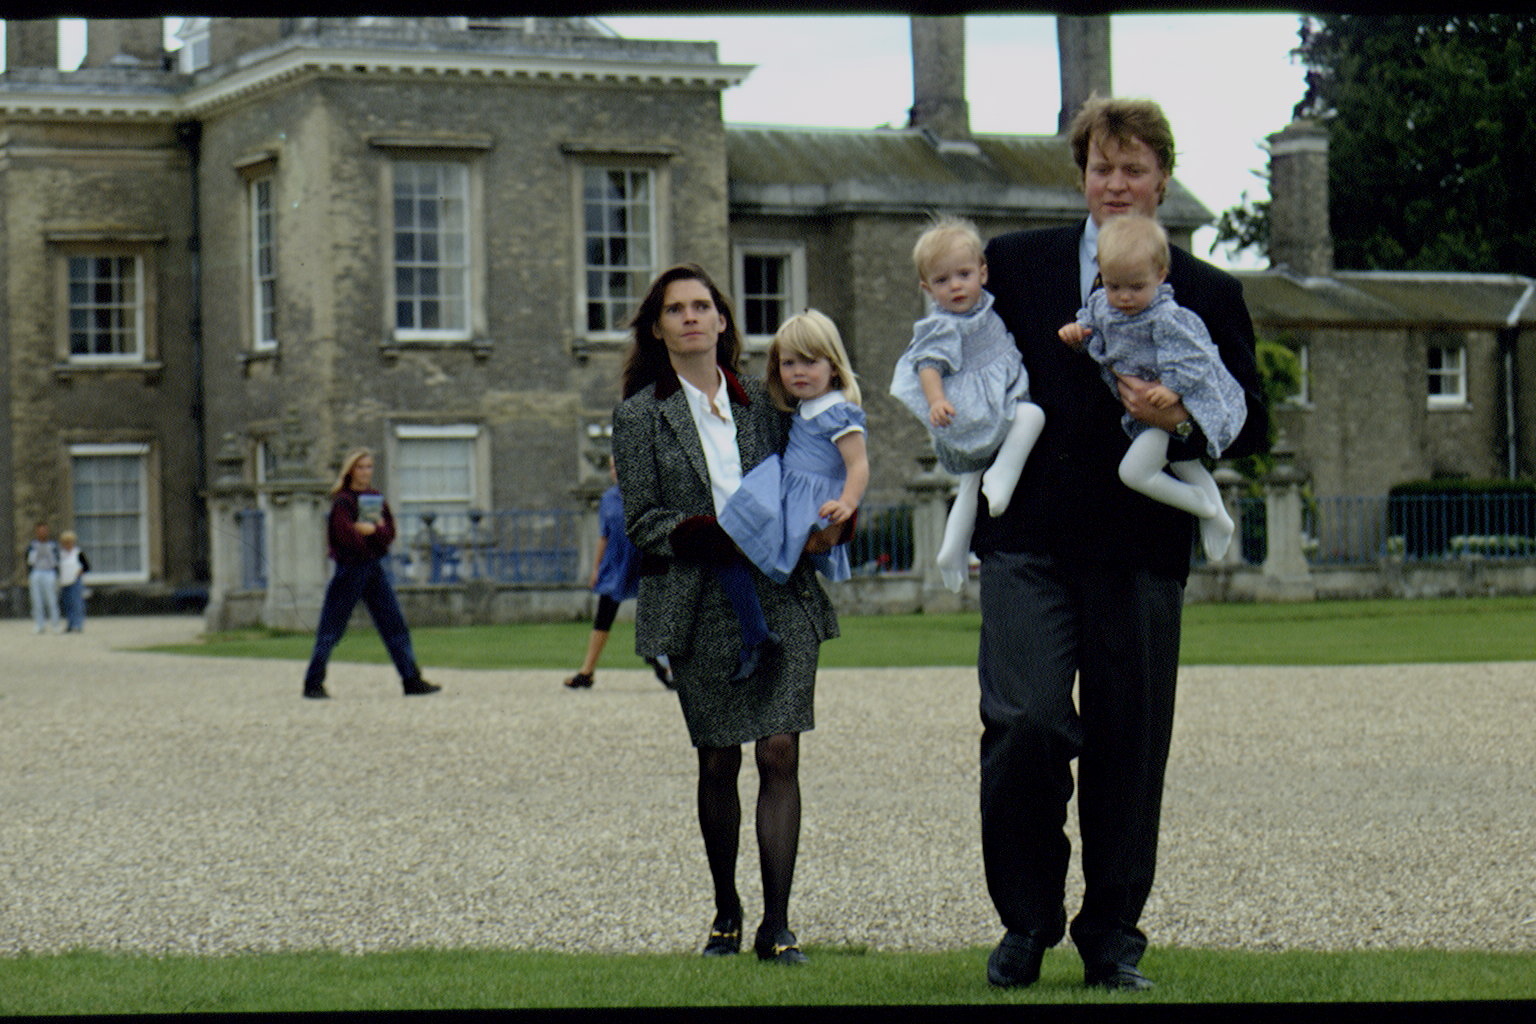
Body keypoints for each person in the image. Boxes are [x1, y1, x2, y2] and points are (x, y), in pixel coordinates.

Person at [972, 96, 1268, 992]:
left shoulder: (1212, 293)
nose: (1116, 183)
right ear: (1082, 176)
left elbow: (1254, 420)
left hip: (1140, 546)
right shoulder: (1014, 267)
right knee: (1023, 722)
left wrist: (1182, 416)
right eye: (1102, 168)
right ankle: (1026, 922)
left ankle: (1112, 939)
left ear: (1162, 182)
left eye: (1133, 169)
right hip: (1027, 537)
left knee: (1130, 744)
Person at [610, 263, 842, 966]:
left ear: (721, 321)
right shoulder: (638, 416)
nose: (690, 317)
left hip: (782, 590)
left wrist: (834, 519)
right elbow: (643, 521)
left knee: (779, 748)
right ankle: (726, 912)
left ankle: (778, 925)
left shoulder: (765, 407)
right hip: (698, 597)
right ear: (658, 327)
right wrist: (722, 532)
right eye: (675, 309)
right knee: (719, 758)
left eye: (702, 306)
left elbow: (814, 476)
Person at [1057, 213, 1246, 560]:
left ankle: (1201, 505)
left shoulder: (1167, 317)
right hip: (1147, 410)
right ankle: (1217, 516)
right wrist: (1077, 334)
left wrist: (1173, 389)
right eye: (1114, 286)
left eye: (1136, 287)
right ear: (1102, 276)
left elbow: (1198, 358)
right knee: (1185, 465)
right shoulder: (1103, 303)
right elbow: (1092, 323)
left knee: (1133, 472)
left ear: (1159, 276)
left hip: (1185, 403)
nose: (1124, 297)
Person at [890, 215, 1046, 592]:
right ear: (927, 288)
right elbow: (927, 365)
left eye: (963, 275)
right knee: (1031, 414)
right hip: (972, 409)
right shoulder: (942, 324)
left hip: (989, 400)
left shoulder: (984, 311)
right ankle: (1003, 476)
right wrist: (937, 400)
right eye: (943, 281)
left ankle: (952, 547)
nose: (956, 286)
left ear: (982, 273)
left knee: (968, 481)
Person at [718, 308, 868, 607]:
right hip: (791, 487)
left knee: (750, 541)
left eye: (810, 362)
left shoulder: (837, 411)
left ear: (834, 367)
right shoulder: (804, 406)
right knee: (739, 536)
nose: (798, 371)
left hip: (813, 497)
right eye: (789, 363)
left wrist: (848, 503)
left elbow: (858, 463)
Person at [301, 448, 441, 700]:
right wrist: (368, 535)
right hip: (350, 569)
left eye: (369, 467)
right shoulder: (343, 502)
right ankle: (313, 682)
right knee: (332, 628)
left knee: (394, 624)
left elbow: (388, 533)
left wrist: (370, 533)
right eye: (361, 467)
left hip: (372, 567)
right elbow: (346, 538)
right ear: (351, 470)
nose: (366, 472)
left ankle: (410, 678)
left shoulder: (374, 498)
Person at [564, 461, 674, 690]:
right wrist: (596, 568)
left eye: (619, 466)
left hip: (644, 560)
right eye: (612, 468)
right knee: (603, 616)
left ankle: (663, 665)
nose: (615, 471)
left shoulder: (646, 493)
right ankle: (587, 671)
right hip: (616, 564)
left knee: (652, 615)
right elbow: (603, 535)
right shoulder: (608, 498)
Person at [25, 521, 62, 634]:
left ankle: (55, 624)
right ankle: (39, 624)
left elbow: (57, 560)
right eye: (40, 531)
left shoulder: (53, 545)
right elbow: (28, 561)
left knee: (51, 599)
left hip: (49, 572)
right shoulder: (32, 545)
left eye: (44, 530)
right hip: (36, 572)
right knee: (36, 600)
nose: (42, 533)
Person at [57, 530, 90, 633]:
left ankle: (78, 624)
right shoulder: (60, 554)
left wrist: (79, 572)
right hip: (64, 581)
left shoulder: (78, 553)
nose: (67, 545)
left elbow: (87, 567)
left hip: (75, 582)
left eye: (69, 542)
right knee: (67, 604)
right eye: (65, 542)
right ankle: (70, 624)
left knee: (77, 603)